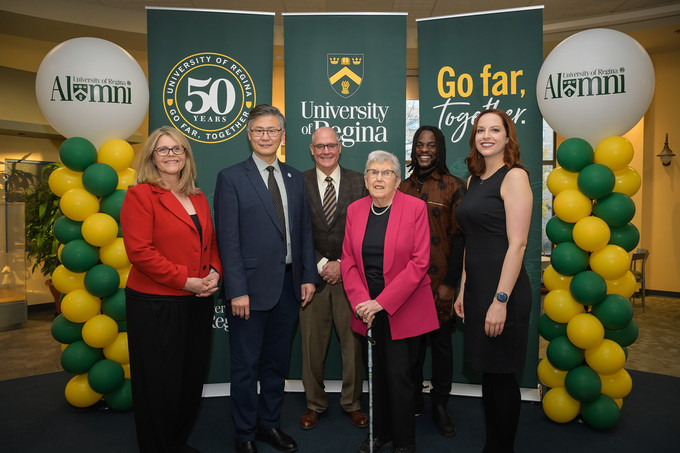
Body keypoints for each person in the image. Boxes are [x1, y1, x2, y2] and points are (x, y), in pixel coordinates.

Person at [214, 104, 317, 453]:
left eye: (272, 130)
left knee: (276, 363)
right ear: (249, 134)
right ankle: (244, 433)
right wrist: (237, 289)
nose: (265, 136)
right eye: (259, 130)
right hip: (249, 292)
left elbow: (303, 231)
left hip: (289, 287)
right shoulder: (231, 177)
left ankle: (269, 425)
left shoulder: (294, 177)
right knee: (246, 366)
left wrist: (307, 276)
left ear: (282, 136)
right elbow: (227, 238)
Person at [121, 125, 222, 453]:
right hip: (156, 303)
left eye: (177, 148)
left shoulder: (198, 196)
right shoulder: (140, 196)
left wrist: (215, 273)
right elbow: (140, 252)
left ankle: (177, 442)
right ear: (151, 156)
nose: (170, 155)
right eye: (162, 150)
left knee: (189, 380)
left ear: (187, 155)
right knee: (158, 385)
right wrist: (184, 280)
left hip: (197, 300)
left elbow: (211, 243)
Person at [341, 150, 439, 453]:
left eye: (386, 173)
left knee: (400, 379)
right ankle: (380, 434)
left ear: (397, 180)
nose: (379, 178)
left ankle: (403, 442)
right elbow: (348, 261)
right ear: (365, 179)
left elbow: (419, 263)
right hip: (366, 309)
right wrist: (361, 302)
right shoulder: (355, 210)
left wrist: (381, 302)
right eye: (373, 172)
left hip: (402, 307)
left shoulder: (415, 208)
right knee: (377, 377)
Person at [453, 109, 533, 453]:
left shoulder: (514, 176)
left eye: (495, 130)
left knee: (502, 376)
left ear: (507, 137)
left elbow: (518, 244)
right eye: (480, 130)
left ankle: (504, 448)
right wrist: (462, 288)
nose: (486, 135)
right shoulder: (473, 181)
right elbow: (471, 241)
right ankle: (492, 445)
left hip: (505, 291)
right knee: (487, 372)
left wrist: (500, 301)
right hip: (476, 289)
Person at [399, 125, 466, 437]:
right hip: (407, 285)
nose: (424, 150)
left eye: (431, 146)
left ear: (439, 149)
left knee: (441, 350)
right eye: (419, 145)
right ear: (413, 149)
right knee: (411, 350)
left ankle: (440, 405)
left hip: (440, 284)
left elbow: (461, 238)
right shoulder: (401, 187)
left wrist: (450, 283)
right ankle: (412, 399)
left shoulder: (455, 186)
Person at [300, 127, 368, 430]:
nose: (326, 151)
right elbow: (294, 231)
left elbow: (367, 229)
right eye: (320, 147)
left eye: (331, 146)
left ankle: (352, 403)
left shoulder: (359, 181)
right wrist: (323, 263)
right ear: (312, 150)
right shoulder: (297, 182)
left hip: (350, 277)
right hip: (311, 279)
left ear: (340, 148)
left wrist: (342, 263)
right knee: (311, 346)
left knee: (353, 347)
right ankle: (315, 404)